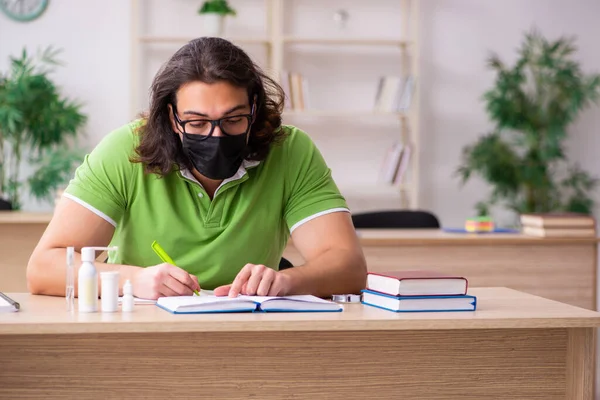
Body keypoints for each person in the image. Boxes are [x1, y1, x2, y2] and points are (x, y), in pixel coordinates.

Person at [27, 37, 367, 300]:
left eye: (234, 119)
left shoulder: (290, 150)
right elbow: (44, 268)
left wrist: (286, 280)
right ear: (172, 118)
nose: (216, 135)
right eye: (197, 122)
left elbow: (348, 266)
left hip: (250, 329)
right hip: (144, 329)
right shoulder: (124, 151)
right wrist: (135, 280)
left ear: (254, 109)